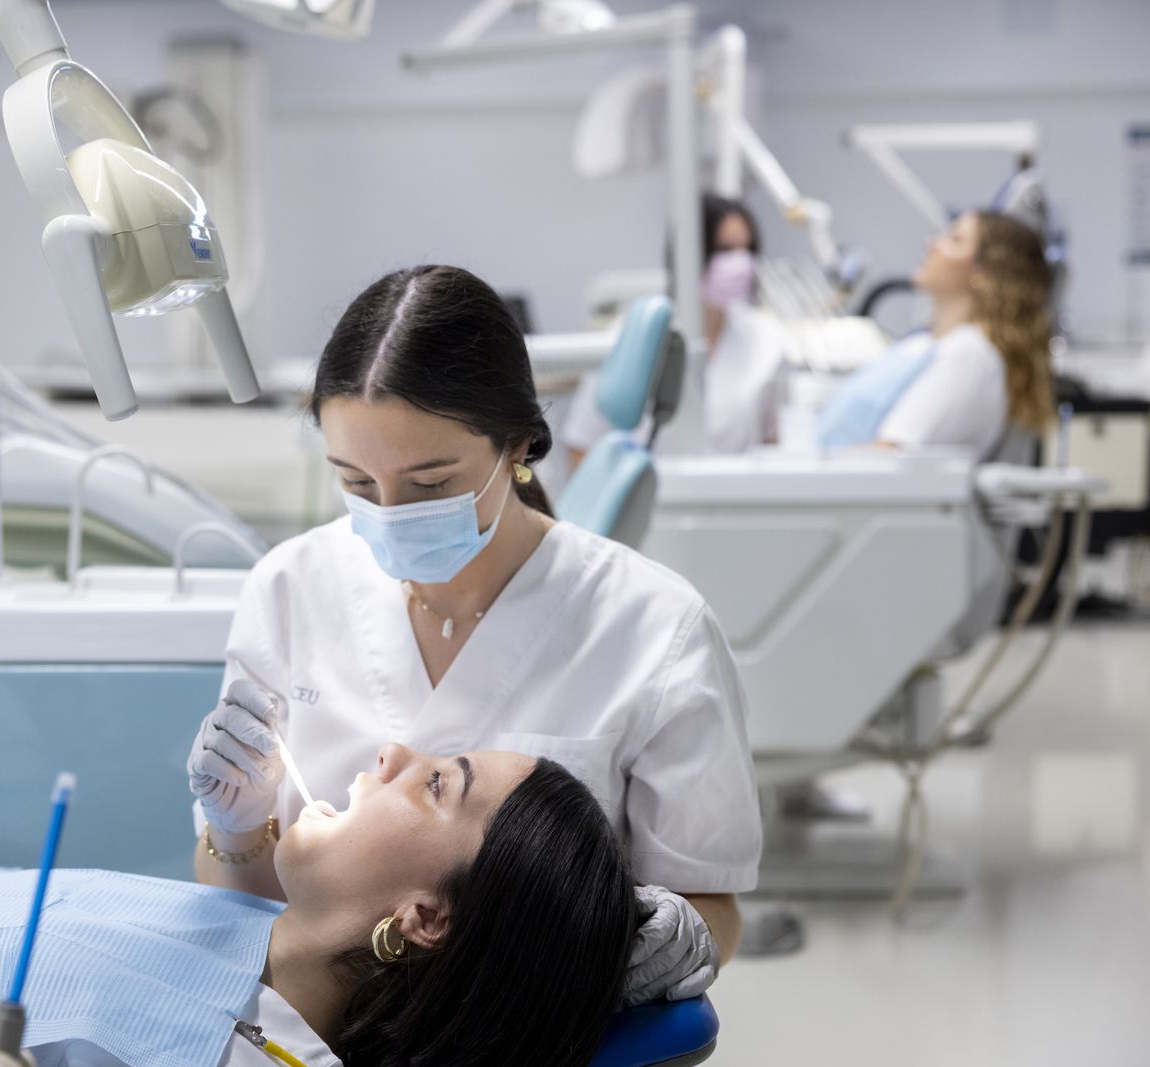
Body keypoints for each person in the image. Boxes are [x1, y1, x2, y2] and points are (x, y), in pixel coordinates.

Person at [188, 264, 762, 1006]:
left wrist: (661, 941)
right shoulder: (291, 586)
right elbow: (253, 906)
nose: (389, 511)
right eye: (356, 482)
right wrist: (234, 830)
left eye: (430, 483)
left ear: (517, 445)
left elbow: (712, 902)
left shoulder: (654, 628)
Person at [0, 746, 637, 1067]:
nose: (389, 753)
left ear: (426, 918)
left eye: (435, 783)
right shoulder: (256, 940)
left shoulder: (212, 1041)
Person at [563, 193, 787, 460]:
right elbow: (581, 443)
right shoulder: (632, 338)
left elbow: (774, 443)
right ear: (689, 253)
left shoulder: (765, 339)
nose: (739, 263)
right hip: (653, 496)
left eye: (747, 250)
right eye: (724, 250)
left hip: (736, 495)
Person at [815, 210, 1054, 456]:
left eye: (955, 240)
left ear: (985, 272)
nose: (933, 244)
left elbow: (892, 457)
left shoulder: (969, 354)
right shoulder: (921, 345)